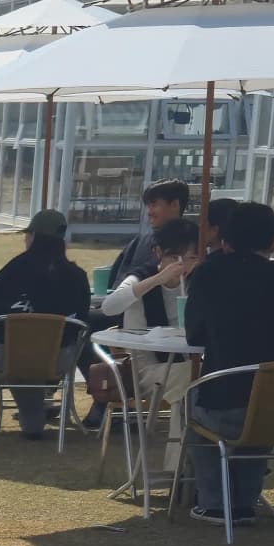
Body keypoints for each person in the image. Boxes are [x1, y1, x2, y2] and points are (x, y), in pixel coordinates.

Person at [180, 197, 274, 520]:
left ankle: (213, 501)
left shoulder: (209, 275)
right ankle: (244, 500)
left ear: (225, 241)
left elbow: (195, 337)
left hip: (227, 405)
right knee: (261, 411)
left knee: (196, 410)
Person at [77, 180, 190, 429]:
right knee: (80, 322)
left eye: (155, 204)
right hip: (134, 328)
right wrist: (151, 282)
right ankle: (106, 391)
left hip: (177, 350)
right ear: (159, 254)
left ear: (175, 205)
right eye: (147, 205)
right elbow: (116, 289)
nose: (149, 211)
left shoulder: (192, 254)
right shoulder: (142, 243)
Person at [0, 209, 95, 437]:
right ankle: (37, 411)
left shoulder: (13, 270)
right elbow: (81, 320)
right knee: (43, 357)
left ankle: (3, 392)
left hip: (11, 359)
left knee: (13, 360)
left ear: (34, 237)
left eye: (28, 234)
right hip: (58, 361)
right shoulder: (76, 276)